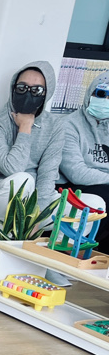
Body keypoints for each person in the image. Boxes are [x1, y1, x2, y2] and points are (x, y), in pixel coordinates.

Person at [0, 61, 67, 281]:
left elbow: (48, 173)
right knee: (21, 180)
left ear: (47, 93)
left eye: (37, 90)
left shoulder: (55, 126)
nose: (28, 93)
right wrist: (25, 128)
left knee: (91, 205)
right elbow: (13, 168)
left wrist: (38, 216)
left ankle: (46, 261)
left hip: (33, 201)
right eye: (22, 87)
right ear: (13, 88)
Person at [59, 72, 109, 254]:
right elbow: (76, 172)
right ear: (90, 94)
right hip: (72, 187)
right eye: (101, 94)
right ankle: (78, 252)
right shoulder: (68, 125)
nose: (106, 100)